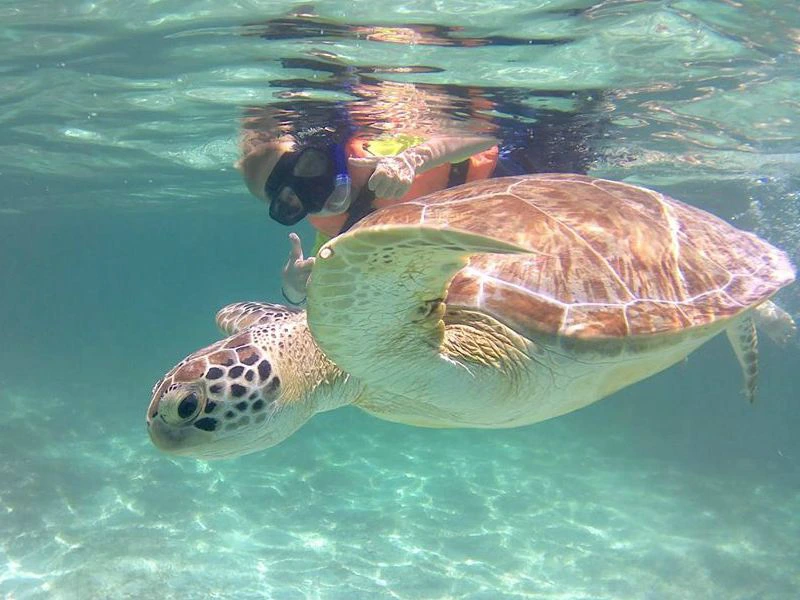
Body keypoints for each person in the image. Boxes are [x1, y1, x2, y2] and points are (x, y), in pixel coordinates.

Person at [237, 105, 499, 305]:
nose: (313, 191)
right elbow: (317, 275)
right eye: (291, 201)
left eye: (308, 167)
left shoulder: (382, 145)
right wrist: (294, 289)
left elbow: (488, 136)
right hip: (482, 245)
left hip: (501, 183)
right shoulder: (338, 232)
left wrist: (414, 159)